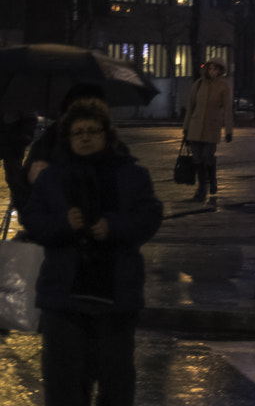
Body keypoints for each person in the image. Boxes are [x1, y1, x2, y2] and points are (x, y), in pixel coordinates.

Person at [20, 97, 162, 406]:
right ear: (68, 137)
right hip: (64, 298)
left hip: (115, 296)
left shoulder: (131, 174)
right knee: (64, 382)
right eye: (78, 132)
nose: (85, 137)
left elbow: (149, 217)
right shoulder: (51, 177)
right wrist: (62, 223)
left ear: (106, 134)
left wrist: (114, 227)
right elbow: (33, 220)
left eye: (92, 131)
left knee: (116, 381)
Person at [181, 59, 232, 205]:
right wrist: (185, 128)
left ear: (220, 71)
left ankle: (211, 180)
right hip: (195, 127)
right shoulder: (198, 85)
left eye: (215, 69)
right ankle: (202, 187)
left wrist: (229, 130)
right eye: (210, 69)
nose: (212, 72)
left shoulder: (223, 87)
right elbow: (190, 108)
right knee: (197, 158)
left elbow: (227, 110)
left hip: (211, 127)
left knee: (207, 156)